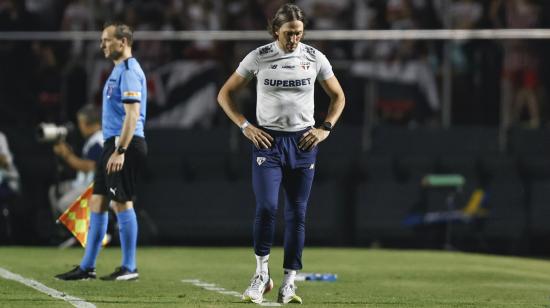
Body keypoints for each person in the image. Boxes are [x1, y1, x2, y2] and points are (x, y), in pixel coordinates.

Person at [217, 3, 345, 304]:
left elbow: (338, 95)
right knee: (265, 208)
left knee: (297, 214)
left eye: (299, 33)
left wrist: (325, 128)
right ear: (276, 30)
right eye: (289, 33)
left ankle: (289, 283)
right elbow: (225, 93)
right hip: (268, 143)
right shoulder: (259, 57)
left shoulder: (314, 57)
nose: (294, 39)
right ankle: (261, 275)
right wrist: (245, 125)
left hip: (303, 143)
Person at [55, 21, 148, 281]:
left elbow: (133, 115)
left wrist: (120, 150)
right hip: (113, 143)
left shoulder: (129, 70)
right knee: (97, 201)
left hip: (125, 143)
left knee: (121, 202)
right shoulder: (118, 70)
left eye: (107, 40)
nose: (102, 45)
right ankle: (88, 267)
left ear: (123, 42)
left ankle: (130, 267)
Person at [49, 104, 103, 217]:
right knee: (54, 191)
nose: (80, 127)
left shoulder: (99, 140)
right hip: (82, 182)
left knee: (63, 204)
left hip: (95, 187)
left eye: (81, 123)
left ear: (91, 124)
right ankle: (62, 231)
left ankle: (79, 232)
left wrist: (66, 155)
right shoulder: (92, 139)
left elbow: (88, 167)